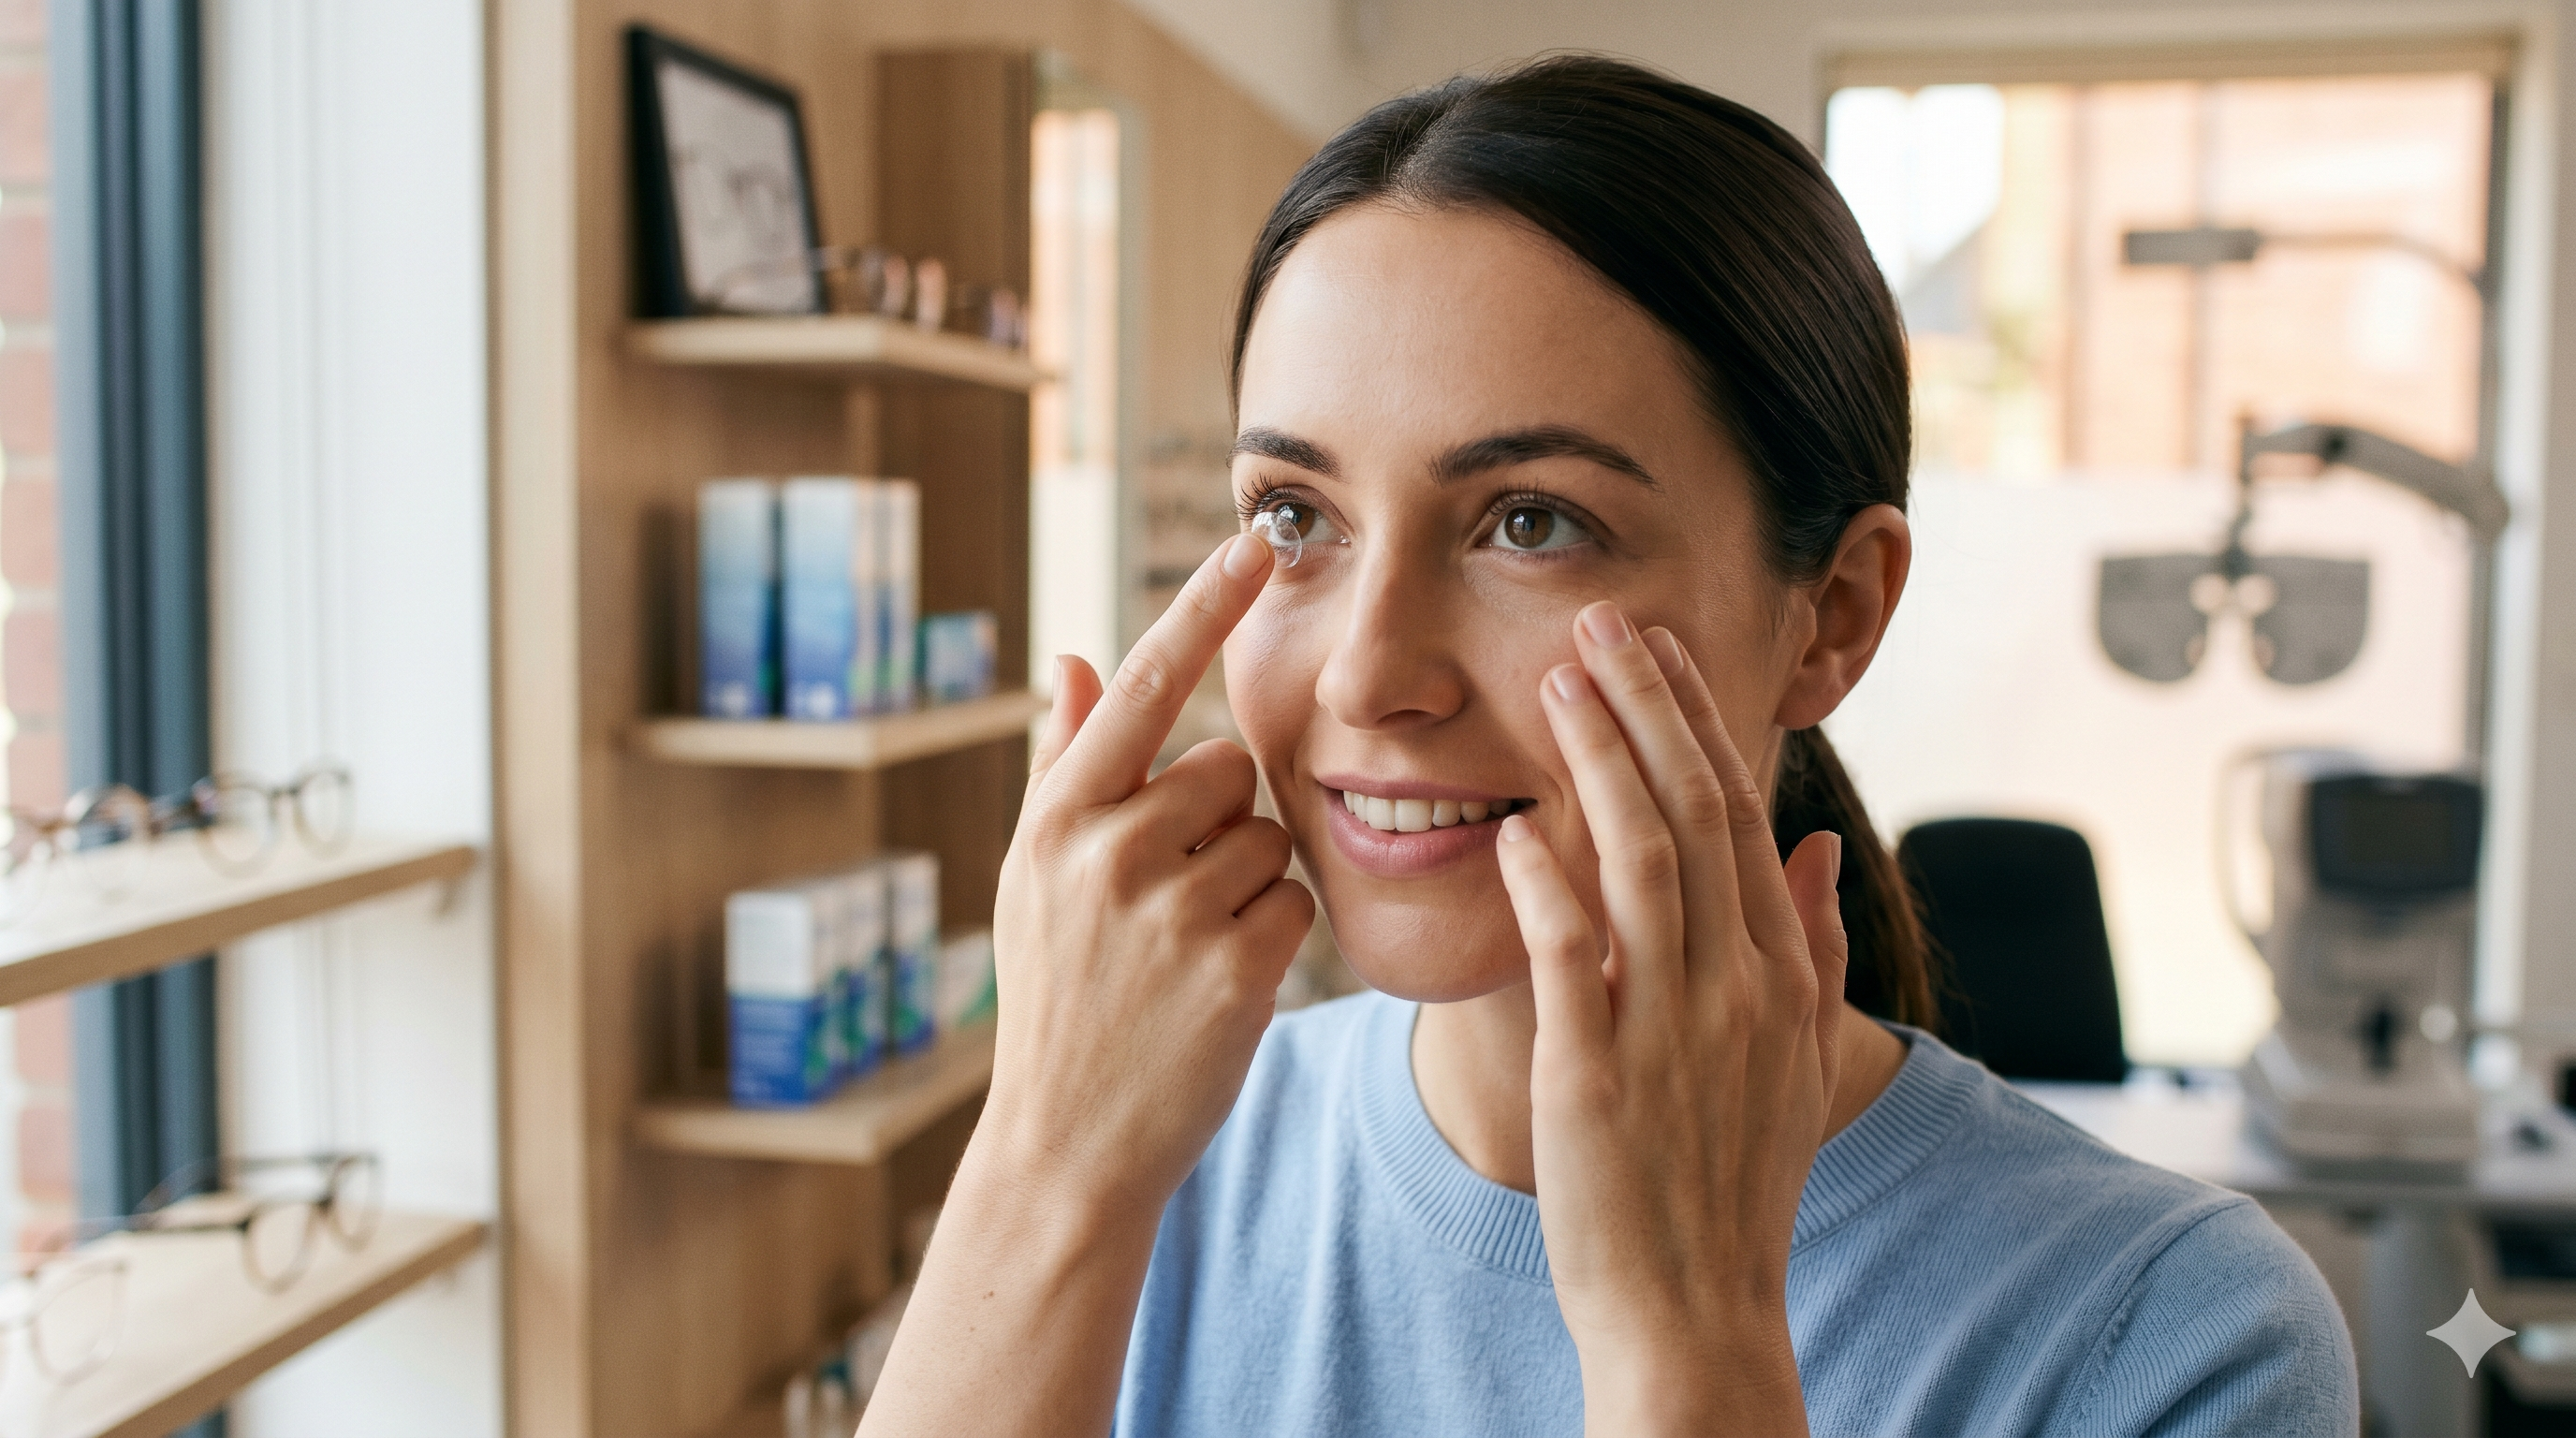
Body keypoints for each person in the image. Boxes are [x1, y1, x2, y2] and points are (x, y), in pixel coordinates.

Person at [858, 55, 2359, 1437]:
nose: (1371, 676)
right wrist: (1040, 1170)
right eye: (1294, 518)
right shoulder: (1156, 1155)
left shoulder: (2173, 1340)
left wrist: (1684, 1335)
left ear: (1831, 614)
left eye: (1531, 524)